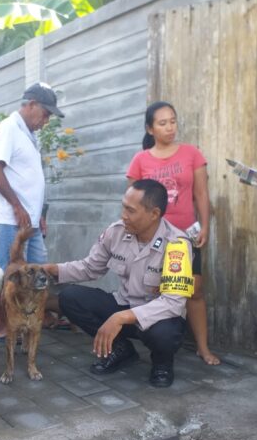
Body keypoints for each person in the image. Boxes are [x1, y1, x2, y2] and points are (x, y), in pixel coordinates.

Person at [43, 179, 194, 388]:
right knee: (71, 297)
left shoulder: (177, 244)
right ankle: (120, 349)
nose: (124, 215)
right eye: (123, 207)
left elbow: (173, 303)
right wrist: (53, 269)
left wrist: (121, 317)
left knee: (165, 333)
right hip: (123, 304)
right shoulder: (116, 232)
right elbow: (90, 267)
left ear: (154, 214)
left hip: (155, 316)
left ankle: (162, 363)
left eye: (131, 210)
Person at [126, 101, 219, 366]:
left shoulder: (192, 154)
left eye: (173, 121)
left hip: (185, 236)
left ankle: (202, 347)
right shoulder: (140, 160)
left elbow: (201, 194)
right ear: (150, 128)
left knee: (195, 290)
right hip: (153, 237)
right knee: (154, 289)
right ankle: (158, 346)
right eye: (162, 123)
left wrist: (205, 226)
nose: (170, 127)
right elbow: (133, 203)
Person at [0, 82, 64, 270]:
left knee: (37, 274)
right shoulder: (9, 128)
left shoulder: (28, 133)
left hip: (30, 220)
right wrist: (16, 206)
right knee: (13, 276)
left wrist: (37, 214)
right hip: (11, 220)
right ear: (31, 105)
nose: (46, 121)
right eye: (45, 114)